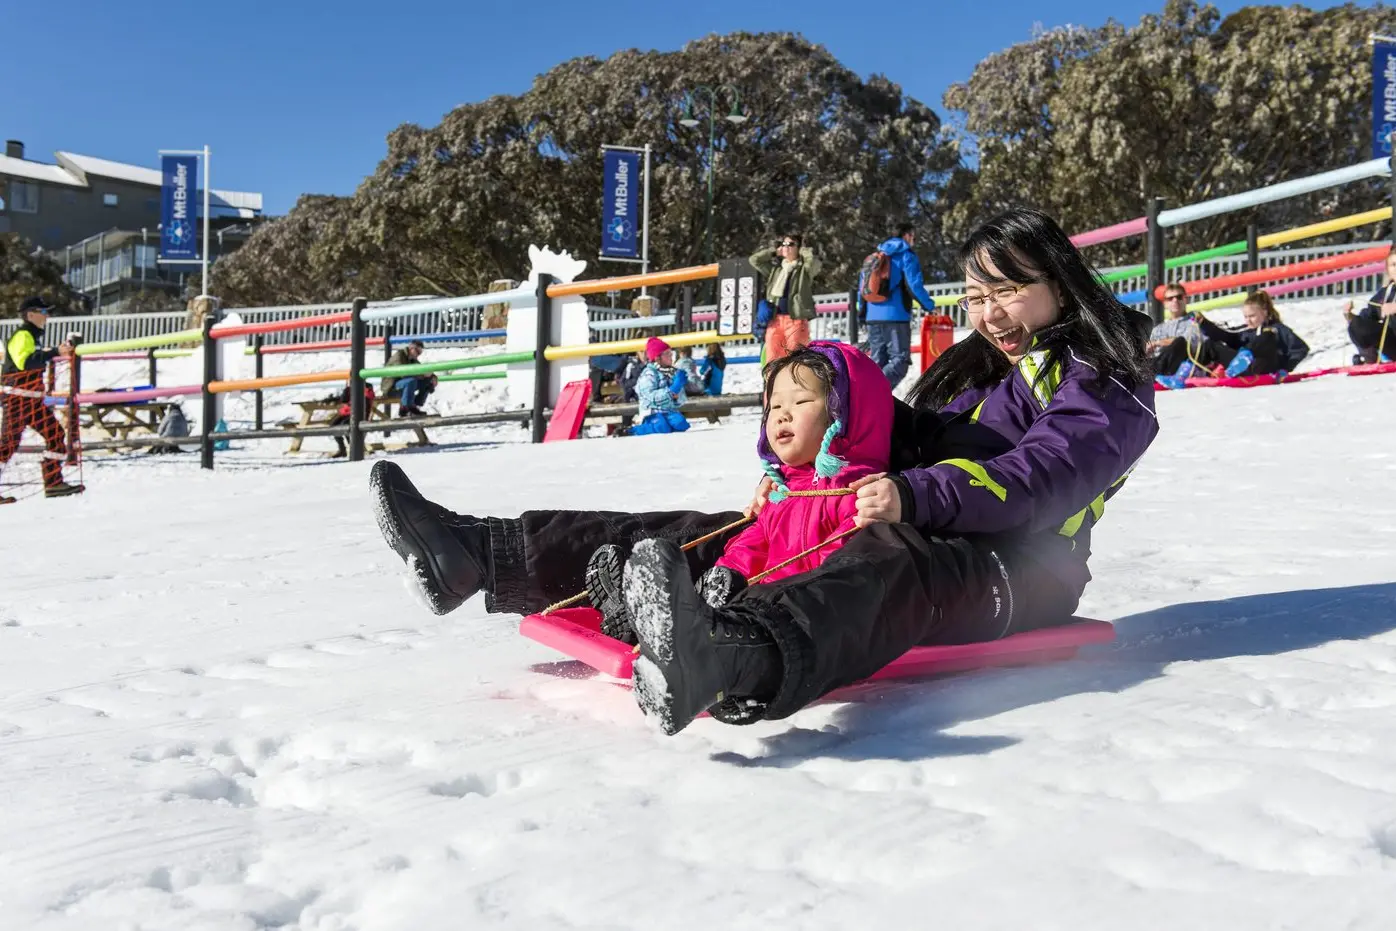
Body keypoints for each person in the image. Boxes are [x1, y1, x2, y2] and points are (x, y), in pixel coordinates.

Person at [368, 206, 1158, 736]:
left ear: (1061, 284)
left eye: (1009, 292)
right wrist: (813, 465)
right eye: (979, 294)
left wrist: (911, 494)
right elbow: (897, 438)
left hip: (1021, 571)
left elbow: (1041, 479)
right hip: (928, 521)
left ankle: (730, 654)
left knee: (892, 559)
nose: (990, 313)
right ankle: (481, 554)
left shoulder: (1109, 380)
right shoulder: (981, 369)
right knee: (738, 529)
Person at [583, 343, 893, 652]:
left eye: (800, 402)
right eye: (774, 406)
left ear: (846, 416)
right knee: (714, 588)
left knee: (724, 615)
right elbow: (757, 540)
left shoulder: (861, 496)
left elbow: (839, 571)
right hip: (751, 600)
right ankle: (636, 615)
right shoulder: (784, 490)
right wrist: (730, 573)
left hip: (790, 619)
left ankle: (663, 622)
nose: (782, 415)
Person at [0, 296, 83, 503]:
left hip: (32, 401)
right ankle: (53, 482)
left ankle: (54, 483)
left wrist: (53, 351)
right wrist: (54, 351)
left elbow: (36, 358)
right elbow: (24, 363)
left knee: (55, 434)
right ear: (30, 315)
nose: (48, 316)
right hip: (17, 400)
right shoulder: (23, 335)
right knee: (8, 444)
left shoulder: (33, 336)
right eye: (44, 312)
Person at [858, 222, 938, 387]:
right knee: (899, 362)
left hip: (872, 316)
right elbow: (914, 286)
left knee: (878, 362)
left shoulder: (875, 255)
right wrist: (930, 306)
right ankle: (870, 392)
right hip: (896, 316)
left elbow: (862, 288)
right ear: (907, 235)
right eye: (913, 236)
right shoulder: (906, 255)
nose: (914, 240)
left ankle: (871, 403)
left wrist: (862, 314)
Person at [1195, 290, 1308, 377]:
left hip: (1265, 368)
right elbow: (1227, 336)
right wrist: (1204, 323)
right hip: (1243, 369)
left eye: (1252, 316)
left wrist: (1285, 369)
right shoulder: (1246, 330)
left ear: (1264, 312)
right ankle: (1191, 371)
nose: (1248, 320)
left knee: (1267, 335)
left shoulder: (1278, 329)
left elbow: (1301, 348)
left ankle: (1246, 356)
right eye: (1246, 317)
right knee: (1211, 345)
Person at [748, 233, 820, 362]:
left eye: (791, 244)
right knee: (772, 360)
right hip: (775, 320)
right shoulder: (776, 270)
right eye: (784, 244)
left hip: (795, 321)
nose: (786, 247)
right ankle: (772, 382)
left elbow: (814, 262)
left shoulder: (804, 269)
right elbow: (754, 260)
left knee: (796, 360)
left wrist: (804, 250)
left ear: (798, 248)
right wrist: (774, 252)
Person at [615, 337, 688, 437]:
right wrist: (671, 391)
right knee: (662, 426)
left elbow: (681, 400)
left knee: (681, 423)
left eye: (671, 353)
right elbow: (649, 395)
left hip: (668, 411)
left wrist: (678, 392)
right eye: (667, 354)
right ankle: (633, 430)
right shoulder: (649, 373)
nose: (671, 356)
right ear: (657, 358)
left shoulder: (672, 373)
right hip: (651, 412)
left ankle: (664, 427)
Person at [1342, 251, 1396, 364]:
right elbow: (1367, 319)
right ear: (1388, 270)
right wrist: (1349, 315)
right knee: (1357, 325)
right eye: (1394, 265)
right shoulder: (1385, 293)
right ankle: (1370, 360)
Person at [1147, 283, 1205, 376]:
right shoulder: (1158, 329)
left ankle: (1152, 374)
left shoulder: (1193, 321)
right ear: (1165, 304)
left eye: (1179, 297)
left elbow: (1188, 341)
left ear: (1186, 299)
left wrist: (1158, 343)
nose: (1175, 301)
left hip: (1181, 365)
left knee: (1180, 342)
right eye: (1170, 299)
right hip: (1157, 362)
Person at [380, 340, 436, 417]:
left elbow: (422, 369)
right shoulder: (399, 355)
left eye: (420, 352)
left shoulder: (413, 359)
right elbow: (402, 374)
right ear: (411, 348)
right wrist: (421, 375)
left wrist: (433, 377)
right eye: (417, 351)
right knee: (411, 381)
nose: (418, 354)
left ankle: (415, 405)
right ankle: (405, 408)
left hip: (404, 385)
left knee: (427, 381)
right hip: (392, 388)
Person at [329, 382, 376, 458]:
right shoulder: (350, 388)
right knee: (334, 425)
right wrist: (346, 392)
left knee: (346, 425)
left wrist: (352, 401)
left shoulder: (367, 389)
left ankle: (354, 447)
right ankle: (342, 449)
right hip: (346, 413)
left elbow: (365, 403)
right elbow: (343, 400)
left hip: (360, 415)